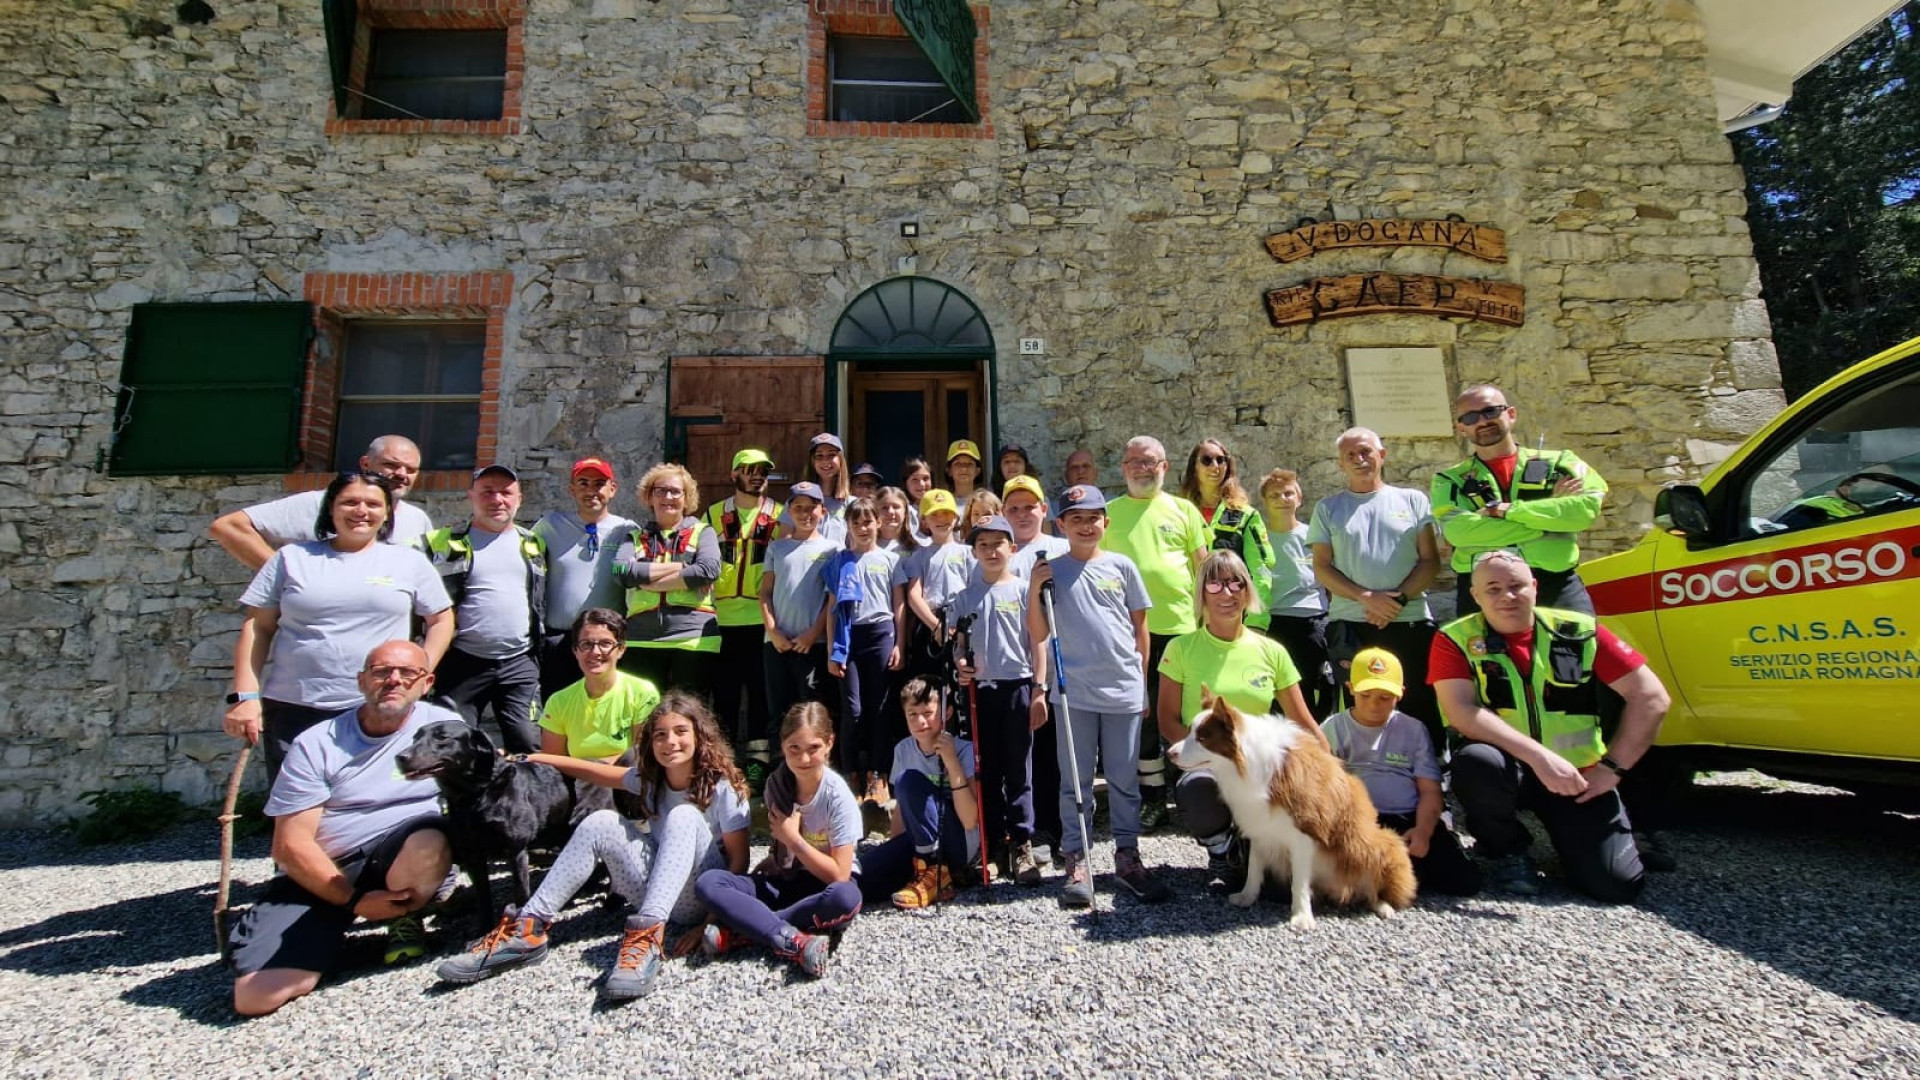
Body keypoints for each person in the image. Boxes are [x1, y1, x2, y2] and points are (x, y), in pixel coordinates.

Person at [434, 691, 751, 1000]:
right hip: (657, 891)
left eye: (681, 732)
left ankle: (645, 940)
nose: (671, 742)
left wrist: (710, 923)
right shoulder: (650, 779)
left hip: (701, 897)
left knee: (683, 815)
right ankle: (528, 927)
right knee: (600, 821)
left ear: (700, 736)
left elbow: (738, 864)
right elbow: (596, 772)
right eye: (660, 735)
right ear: (649, 743)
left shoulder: (723, 787)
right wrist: (537, 757)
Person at [228, 640, 457, 1016]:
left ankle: (405, 911)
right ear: (361, 681)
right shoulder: (317, 743)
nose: (394, 680)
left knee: (430, 836)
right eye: (382, 672)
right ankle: (326, 933)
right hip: (323, 871)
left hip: (402, 855)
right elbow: (290, 845)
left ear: (426, 682)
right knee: (256, 997)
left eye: (407, 673)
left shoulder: (443, 727)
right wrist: (353, 900)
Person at [1430, 550, 1670, 903]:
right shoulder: (1454, 639)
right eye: (1493, 589)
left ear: (1535, 587)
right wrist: (1539, 757)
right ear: (1475, 595)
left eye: (1516, 586)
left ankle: (1587, 838)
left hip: (1579, 778)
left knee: (1616, 886)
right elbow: (1462, 712)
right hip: (1508, 769)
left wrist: (1613, 769)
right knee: (1476, 763)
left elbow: (1651, 698)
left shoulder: (1579, 632)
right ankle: (1507, 848)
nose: (1507, 597)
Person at [226, 472, 454, 783]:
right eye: (350, 502)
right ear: (331, 508)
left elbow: (441, 619)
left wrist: (419, 674)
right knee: (297, 809)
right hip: (296, 706)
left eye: (373, 504)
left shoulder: (409, 563)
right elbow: (257, 627)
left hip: (379, 707)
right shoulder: (291, 559)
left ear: (387, 512)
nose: (361, 511)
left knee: (373, 807)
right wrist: (245, 697)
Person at [1027, 484, 1171, 907]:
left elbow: (1139, 628)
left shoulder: (1122, 567)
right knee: (1076, 779)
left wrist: (1141, 682)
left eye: (1093, 518)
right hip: (1074, 692)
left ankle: (1127, 856)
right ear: (1061, 525)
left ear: (1105, 523)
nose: (1086, 525)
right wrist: (1035, 590)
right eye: (1076, 519)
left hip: (1122, 688)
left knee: (1125, 778)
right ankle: (1078, 857)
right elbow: (1038, 632)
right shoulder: (1051, 570)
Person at [1157, 551, 1320, 888]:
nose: (1227, 593)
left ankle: (1256, 848)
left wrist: (1330, 765)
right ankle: (1224, 853)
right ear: (1201, 593)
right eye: (1214, 584)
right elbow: (1167, 719)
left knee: (1277, 892)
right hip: (1207, 763)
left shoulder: (1271, 651)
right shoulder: (1180, 648)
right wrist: (1205, 758)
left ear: (1248, 592)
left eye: (1236, 583)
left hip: (1264, 767)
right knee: (1197, 787)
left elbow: (1301, 719)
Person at [694, 703, 863, 980]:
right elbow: (784, 853)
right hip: (789, 878)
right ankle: (786, 935)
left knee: (846, 898)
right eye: (794, 748)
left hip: (823, 887)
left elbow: (839, 875)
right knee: (710, 882)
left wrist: (794, 840)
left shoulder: (837, 796)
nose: (804, 758)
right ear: (782, 745)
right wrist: (777, 855)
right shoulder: (778, 784)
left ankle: (748, 929)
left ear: (829, 744)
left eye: (813, 748)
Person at [1101, 435, 1208, 831]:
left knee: (1184, 715)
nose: (1142, 468)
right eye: (1134, 461)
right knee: (1142, 716)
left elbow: (1204, 569)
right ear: (1123, 467)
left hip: (1180, 632)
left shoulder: (1184, 511)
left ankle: (1191, 794)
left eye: (1150, 462)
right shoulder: (1108, 514)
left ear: (1164, 467)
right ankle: (1152, 799)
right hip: (1128, 634)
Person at [1309, 427, 1443, 746]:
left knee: (1417, 700)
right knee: (1362, 705)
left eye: (1366, 451)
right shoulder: (1327, 509)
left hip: (1409, 619)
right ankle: (1361, 772)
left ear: (1381, 455)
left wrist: (1396, 601)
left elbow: (1430, 561)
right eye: (1350, 455)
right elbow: (1322, 567)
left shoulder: (1412, 500)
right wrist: (1366, 598)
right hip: (1352, 624)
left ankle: (1433, 772)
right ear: (1340, 464)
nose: (1359, 459)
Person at [1431, 385, 1609, 616]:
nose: (1483, 421)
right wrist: (1546, 523)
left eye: (1491, 411)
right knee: (1487, 654)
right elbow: (1458, 532)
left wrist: (1504, 511)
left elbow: (1583, 511)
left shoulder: (1561, 462)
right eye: (1471, 417)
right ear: (1462, 428)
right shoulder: (1448, 479)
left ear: (1511, 414)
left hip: (1555, 586)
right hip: (1484, 591)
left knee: (1574, 651)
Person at [1322, 647, 1480, 897]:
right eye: (1366, 695)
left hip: (1406, 819)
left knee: (1463, 882)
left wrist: (1423, 832)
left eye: (1385, 697)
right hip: (1357, 822)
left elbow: (1429, 789)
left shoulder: (1414, 730)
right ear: (1350, 688)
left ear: (1401, 694)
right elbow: (1324, 791)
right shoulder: (1332, 728)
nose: (1374, 705)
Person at [418, 464, 548, 754]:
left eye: (506, 492)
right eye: (487, 492)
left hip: (519, 663)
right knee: (453, 744)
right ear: (471, 496)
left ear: (519, 499)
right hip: (462, 662)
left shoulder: (534, 544)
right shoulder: (440, 542)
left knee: (528, 743)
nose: (497, 499)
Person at [949, 515, 1044, 884]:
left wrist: (1040, 686)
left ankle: (1022, 842)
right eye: (983, 545)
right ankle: (991, 844)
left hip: (1017, 687)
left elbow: (1038, 641)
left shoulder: (1023, 591)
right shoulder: (965, 597)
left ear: (1012, 548)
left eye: (997, 543)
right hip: (980, 692)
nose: (991, 551)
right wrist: (960, 665)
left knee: (1018, 770)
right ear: (973, 552)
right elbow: (959, 646)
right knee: (984, 769)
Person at [209, 435, 433, 571]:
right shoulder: (317, 503)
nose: (402, 474)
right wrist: (282, 575)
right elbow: (229, 526)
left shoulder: (417, 519)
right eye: (391, 465)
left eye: (411, 469)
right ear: (366, 463)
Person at [860, 675, 980, 908]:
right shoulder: (903, 750)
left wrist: (952, 761)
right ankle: (925, 873)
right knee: (863, 875)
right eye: (912, 715)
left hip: (957, 843)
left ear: (946, 713)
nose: (920, 722)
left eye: (928, 713)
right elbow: (902, 810)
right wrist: (895, 850)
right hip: (919, 843)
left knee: (910, 781)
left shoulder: (965, 751)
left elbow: (969, 820)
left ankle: (937, 874)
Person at [703, 449, 783, 771]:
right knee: (724, 698)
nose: (756, 475)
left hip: (761, 620)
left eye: (762, 470)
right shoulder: (712, 514)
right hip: (722, 620)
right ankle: (722, 765)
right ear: (734, 474)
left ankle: (756, 768)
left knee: (762, 699)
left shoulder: (780, 515)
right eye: (749, 469)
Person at [532, 457, 635, 700]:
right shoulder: (549, 526)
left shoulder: (627, 530)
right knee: (558, 708)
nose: (591, 491)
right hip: (560, 640)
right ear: (572, 489)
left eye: (599, 484)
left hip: (608, 641)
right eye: (583, 483)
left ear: (612, 489)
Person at [615, 463, 721, 697]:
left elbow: (708, 569)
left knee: (691, 716)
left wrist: (648, 580)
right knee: (644, 718)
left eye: (676, 491)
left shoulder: (703, 532)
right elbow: (622, 571)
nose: (668, 497)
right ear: (649, 496)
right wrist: (683, 567)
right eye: (660, 490)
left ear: (687, 498)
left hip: (693, 638)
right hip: (641, 639)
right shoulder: (633, 536)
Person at [824, 497, 903, 805]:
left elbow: (899, 605)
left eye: (868, 521)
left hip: (881, 633)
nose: (863, 528)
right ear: (848, 527)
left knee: (880, 708)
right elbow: (832, 606)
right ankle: (850, 774)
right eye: (856, 523)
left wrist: (899, 643)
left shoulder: (889, 560)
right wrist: (832, 650)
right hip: (848, 637)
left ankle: (877, 774)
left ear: (878, 523)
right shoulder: (839, 561)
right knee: (853, 709)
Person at [759, 482, 838, 744]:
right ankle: (780, 771)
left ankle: (815, 768)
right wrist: (772, 630)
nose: (805, 514)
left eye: (811, 508)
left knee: (812, 710)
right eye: (798, 508)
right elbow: (765, 593)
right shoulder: (777, 548)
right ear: (788, 512)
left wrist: (812, 634)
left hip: (812, 645)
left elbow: (831, 599)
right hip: (778, 645)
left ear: (822, 511)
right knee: (778, 711)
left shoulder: (831, 550)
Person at [536, 608, 661, 762]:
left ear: (621, 650)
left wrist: (594, 768)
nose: (595, 652)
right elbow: (551, 763)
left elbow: (643, 757)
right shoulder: (558, 702)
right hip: (578, 782)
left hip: (626, 781)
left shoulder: (642, 693)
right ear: (575, 651)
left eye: (605, 643)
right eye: (586, 644)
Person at [1258, 468, 1333, 718]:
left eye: (1289, 493)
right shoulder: (1258, 538)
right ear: (1265, 502)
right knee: (1275, 691)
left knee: (1310, 688)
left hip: (1311, 621)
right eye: (1275, 495)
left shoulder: (1314, 535)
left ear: (1299, 499)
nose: (1283, 499)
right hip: (1273, 623)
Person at [1179, 438, 1275, 630]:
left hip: (1231, 618)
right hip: (1184, 620)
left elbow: (1261, 573)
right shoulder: (1178, 512)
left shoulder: (1245, 515)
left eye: (1221, 460)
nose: (1215, 466)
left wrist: (1257, 622)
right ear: (1194, 467)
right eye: (1206, 460)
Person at [896, 489, 970, 679]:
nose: (941, 519)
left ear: (955, 517)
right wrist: (935, 626)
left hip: (963, 622)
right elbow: (913, 595)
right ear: (924, 521)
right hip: (932, 623)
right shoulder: (920, 556)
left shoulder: (969, 553)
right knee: (929, 681)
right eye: (934, 514)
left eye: (946, 513)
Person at [781, 433, 849, 543]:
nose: (825, 461)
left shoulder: (851, 503)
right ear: (812, 461)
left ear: (840, 459)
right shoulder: (796, 501)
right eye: (819, 456)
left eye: (831, 455)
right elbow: (784, 542)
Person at [1002, 475, 1070, 577]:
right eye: (1014, 509)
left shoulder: (1066, 549)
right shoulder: (996, 556)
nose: (1021, 514)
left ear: (1044, 509)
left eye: (1029, 507)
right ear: (1003, 513)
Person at [874, 485, 919, 555]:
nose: (890, 512)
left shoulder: (918, 546)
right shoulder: (867, 546)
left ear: (905, 511)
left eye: (896, 507)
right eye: (884, 508)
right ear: (876, 512)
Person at [945, 439, 985, 515]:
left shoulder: (987, 502)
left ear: (977, 471)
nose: (964, 468)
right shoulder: (942, 503)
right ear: (949, 470)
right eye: (958, 463)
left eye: (969, 464)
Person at [900, 456, 936, 537]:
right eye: (915, 479)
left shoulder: (940, 506)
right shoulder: (901, 510)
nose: (922, 484)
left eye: (926, 478)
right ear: (906, 482)